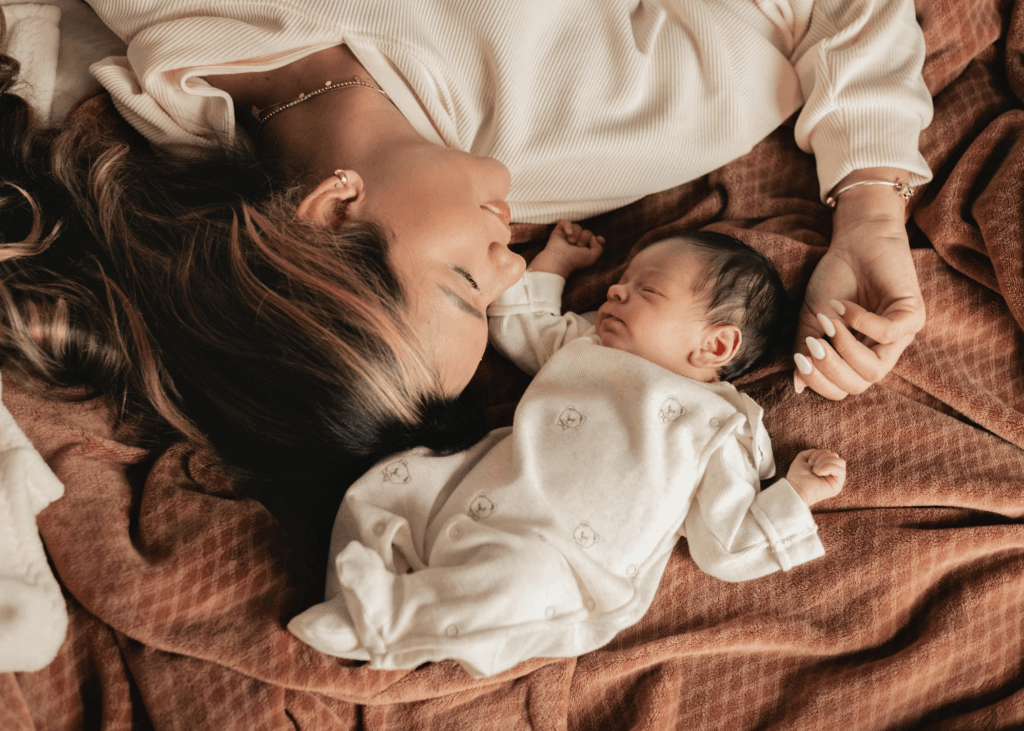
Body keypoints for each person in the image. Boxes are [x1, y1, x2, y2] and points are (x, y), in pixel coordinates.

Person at [0, 0, 932, 482]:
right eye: (495, 299)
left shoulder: (174, 33)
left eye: (460, 282)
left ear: (330, 212)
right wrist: (870, 212)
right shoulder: (597, 125)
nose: (514, 261)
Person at [286, 223, 847, 678]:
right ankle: (349, 599)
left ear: (716, 343)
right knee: (392, 483)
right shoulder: (589, 343)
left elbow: (723, 545)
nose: (616, 291)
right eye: (620, 282)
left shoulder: (721, 426)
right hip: (483, 485)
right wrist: (556, 261)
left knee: (514, 584)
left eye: (648, 290)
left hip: (569, 561)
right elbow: (519, 326)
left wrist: (795, 494)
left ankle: (392, 620)